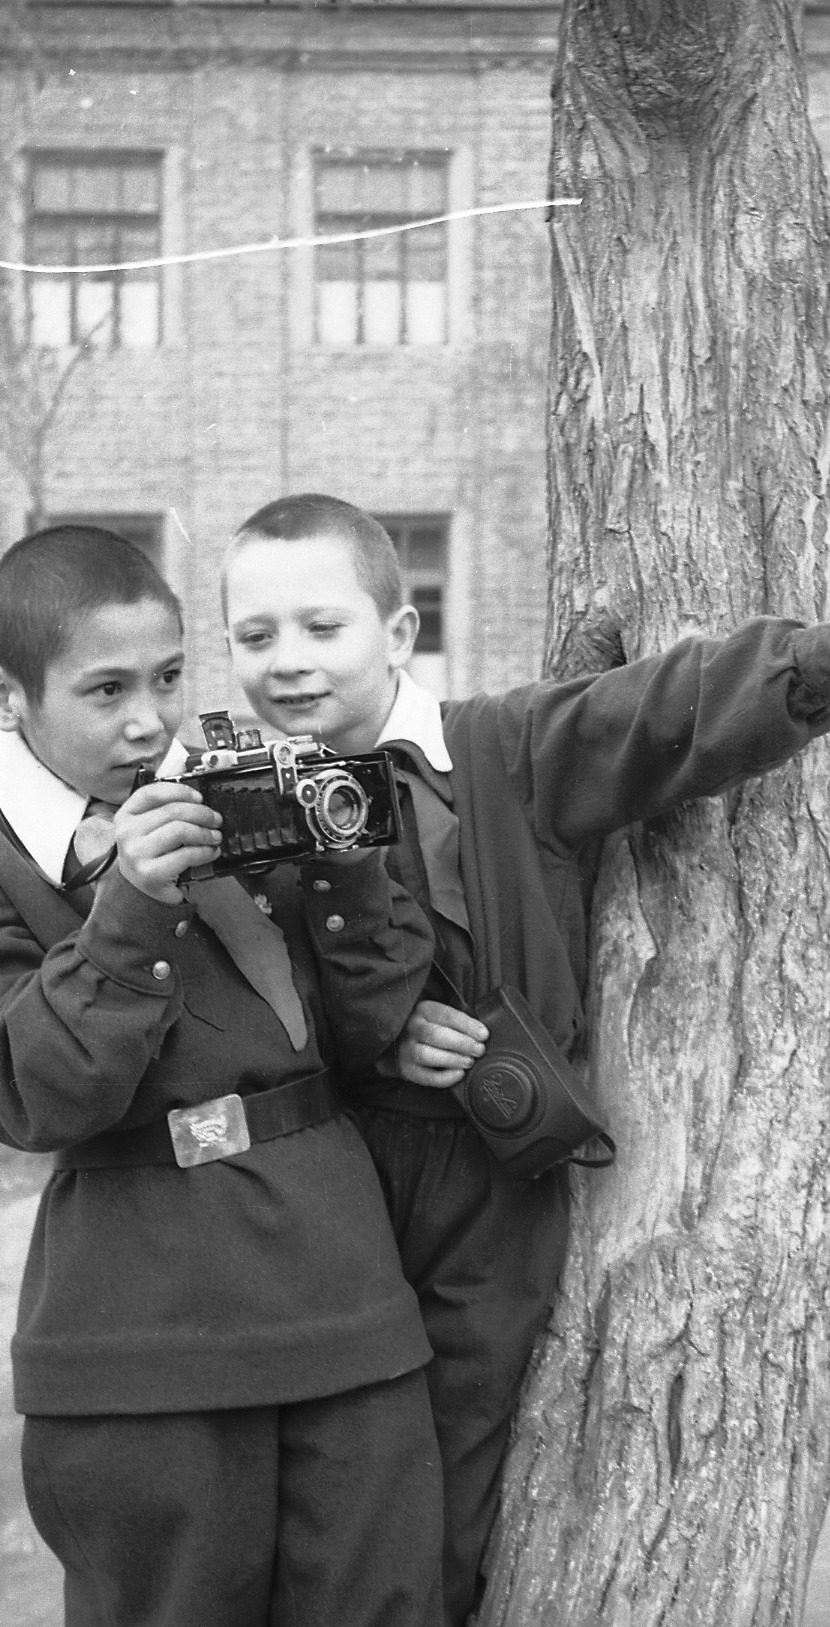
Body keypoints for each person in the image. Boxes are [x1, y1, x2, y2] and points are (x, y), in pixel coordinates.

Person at [222, 492, 830, 1626]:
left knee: (452, 1465)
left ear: (398, 634)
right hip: (329, 1179)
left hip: (483, 1180)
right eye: (255, 635)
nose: (288, 661)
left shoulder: (504, 751)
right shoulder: (240, 800)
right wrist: (376, 1034)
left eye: (322, 627)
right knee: (325, 1470)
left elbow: (659, 711)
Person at [0, 523, 445, 1627]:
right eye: (104, 690)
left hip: (341, 1293)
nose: (147, 720)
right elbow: (38, 1095)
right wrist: (130, 906)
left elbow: (363, 1026)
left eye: (164, 677)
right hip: (140, 1333)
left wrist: (341, 855)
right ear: (13, 698)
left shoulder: (223, 790)